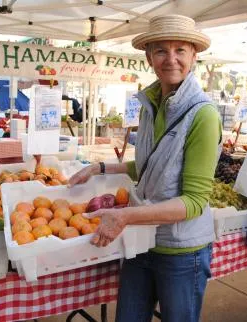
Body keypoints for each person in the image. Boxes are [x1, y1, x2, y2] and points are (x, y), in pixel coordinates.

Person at [69, 14, 221, 321]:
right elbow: (147, 166)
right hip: (142, 242)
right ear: (149, 56)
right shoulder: (151, 104)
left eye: (180, 50)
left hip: (181, 251)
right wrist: (99, 167)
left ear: (194, 55)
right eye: (162, 50)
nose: (171, 59)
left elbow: (194, 202)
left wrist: (125, 216)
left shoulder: (203, 115)